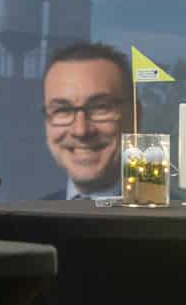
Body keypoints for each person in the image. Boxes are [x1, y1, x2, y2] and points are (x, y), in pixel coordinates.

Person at [41, 42, 135, 200]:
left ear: (134, 116)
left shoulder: (174, 215)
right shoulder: (25, 215)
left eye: (100, 107)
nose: (81, 130)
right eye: (62, 110)